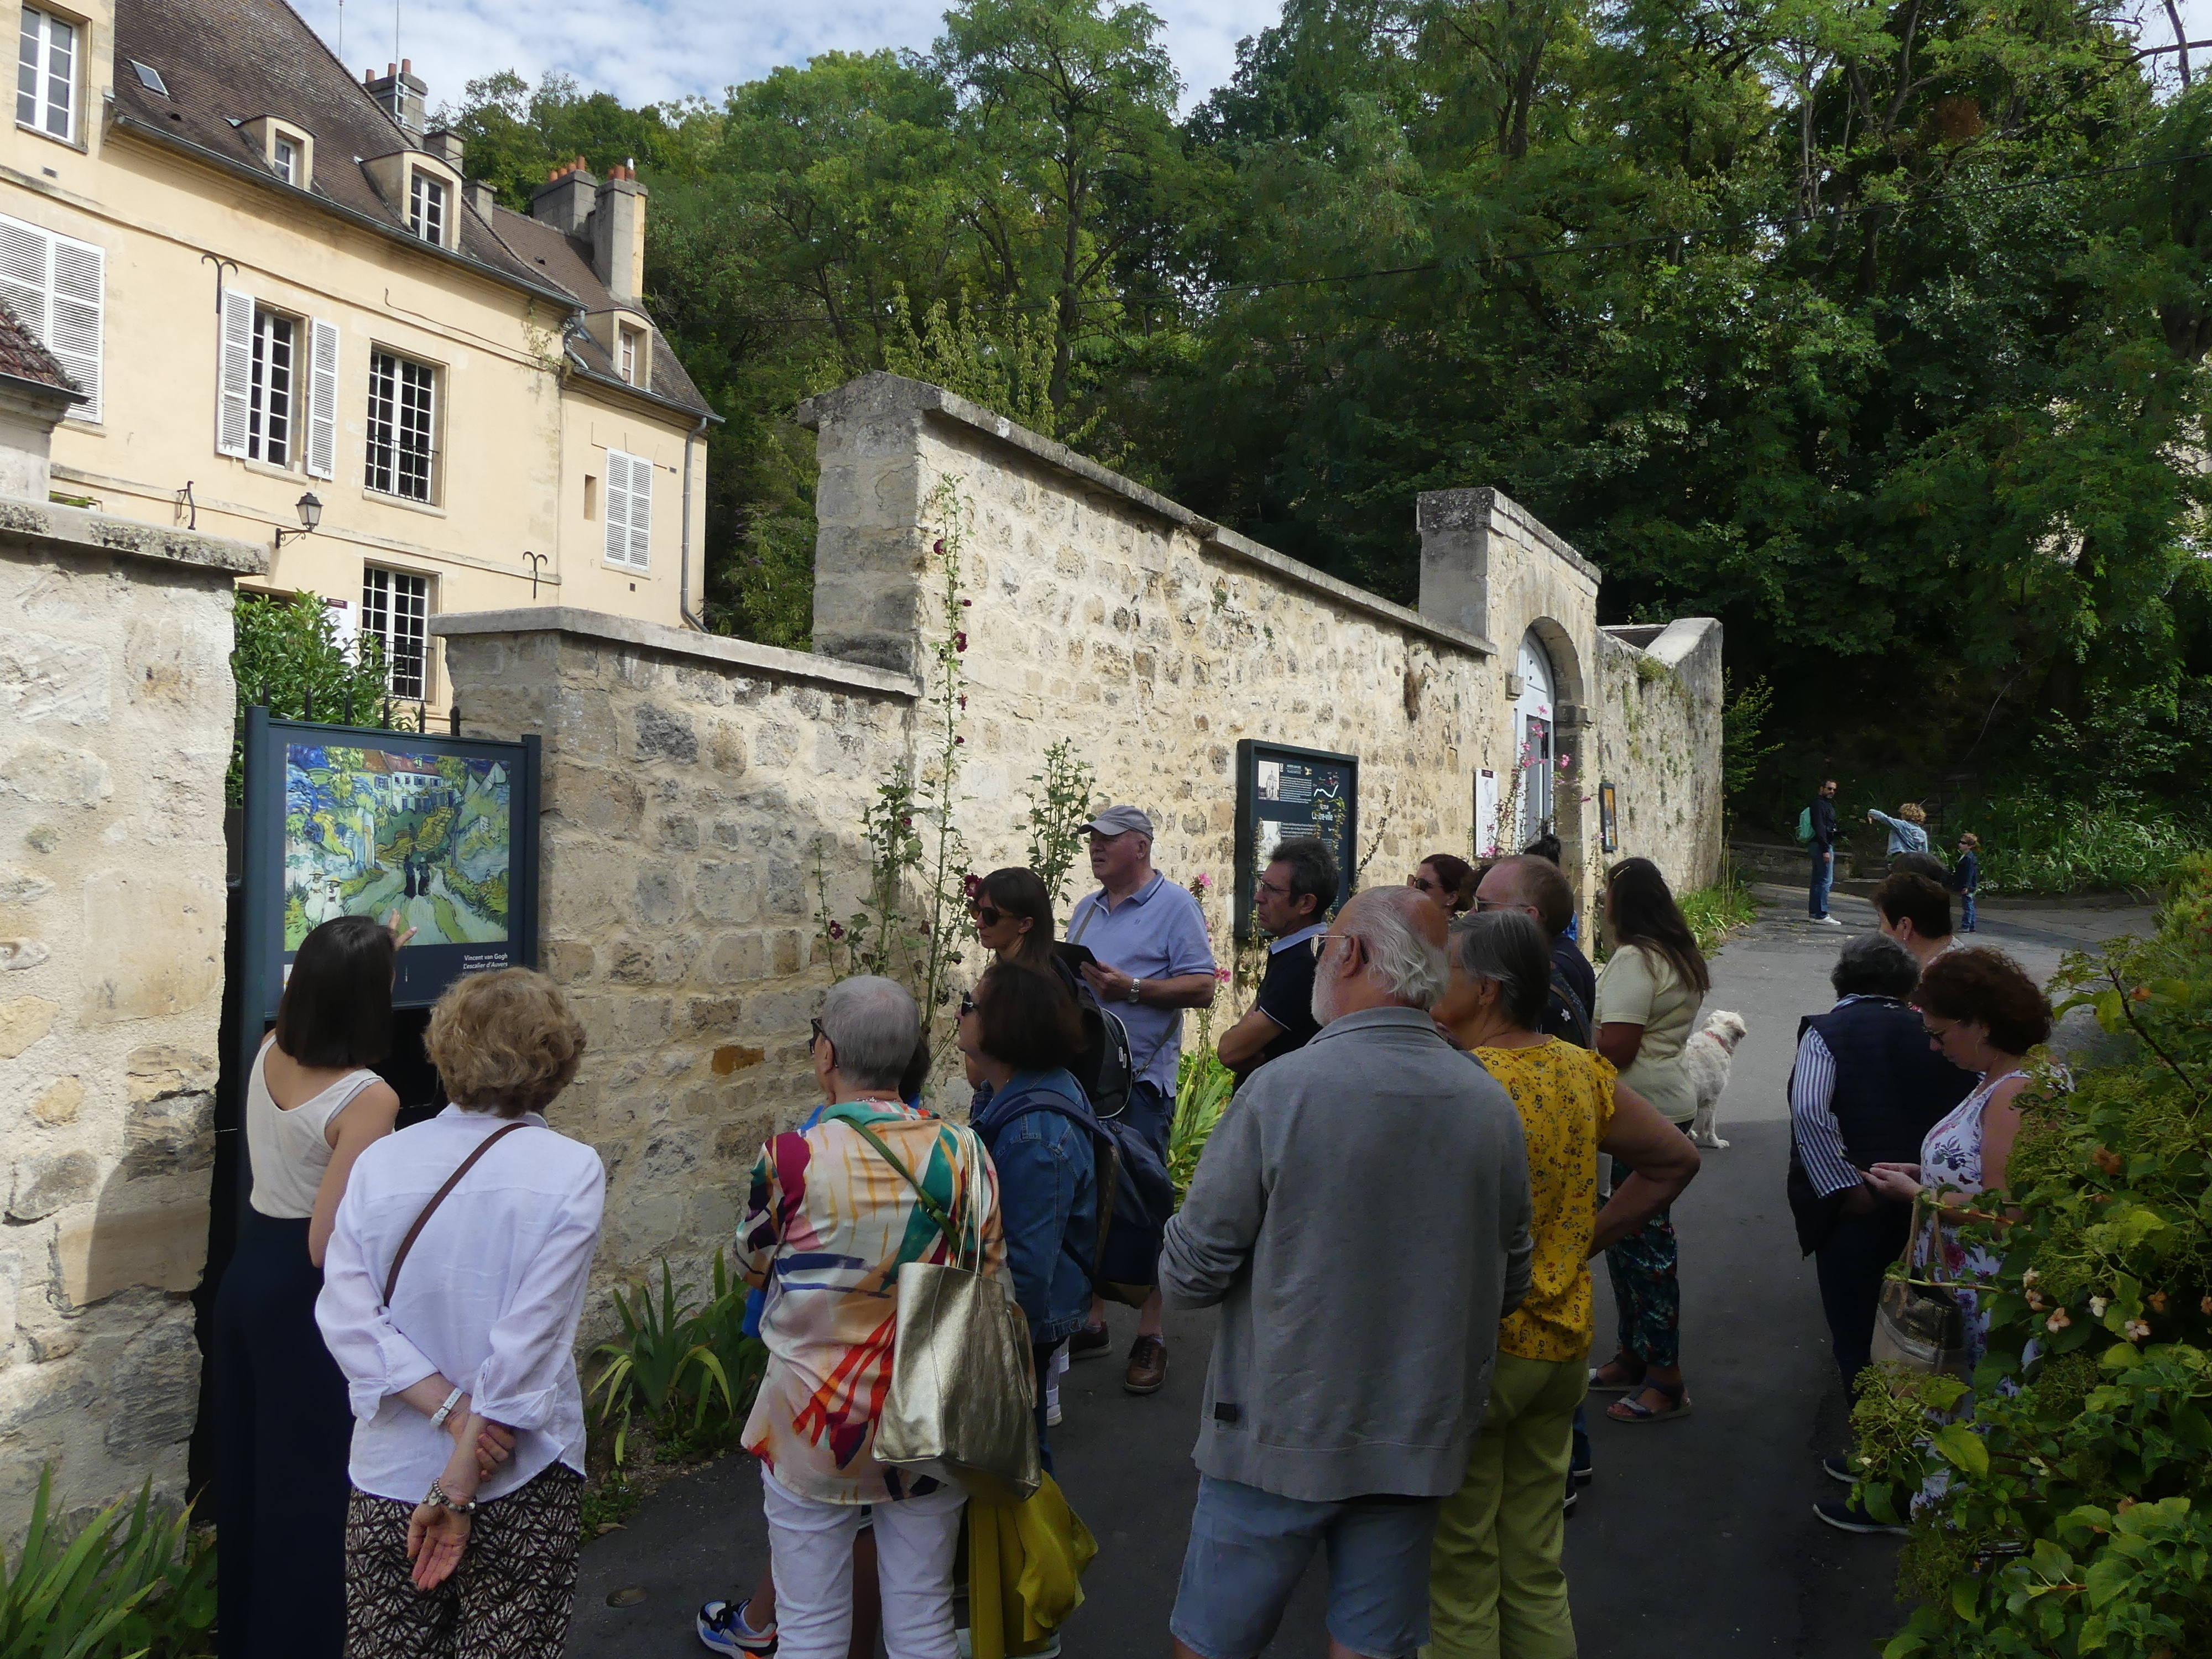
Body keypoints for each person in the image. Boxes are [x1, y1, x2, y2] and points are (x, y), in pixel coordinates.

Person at [1160, 888, 1533, 1659]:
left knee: (1212, 1644)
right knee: (1372, 1647)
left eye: (1329, 940)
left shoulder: (1282, 1090)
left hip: (1278, 1428)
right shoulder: (1488, 1104)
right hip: (1413, 1434)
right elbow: (1511, 1282)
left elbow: (1190, 1277)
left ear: (1350, 954)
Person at [1427, 911, 1701, 1659]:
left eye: (1444, 971)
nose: (1430, 985)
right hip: (1558, 1349)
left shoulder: (1460, 1083)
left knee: (1459, 1569)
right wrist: (1582, 1242)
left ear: (1485, 989)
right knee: (1536, 1565)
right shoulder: (1579, 1069)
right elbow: (1674, 1159)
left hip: (1476, 1350)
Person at [316, 967, 601, 1659]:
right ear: (558, 1062)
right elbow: (529, 1340)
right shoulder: (570, 1169)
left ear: (444, 1051)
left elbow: (346, 1315)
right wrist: (466, 1462)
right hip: (517, 1476)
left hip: (388, 1473)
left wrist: (445, 1409)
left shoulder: (382, 1163)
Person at [738, 975, 1004, 1659]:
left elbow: (751, 1266)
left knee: (808, 1628)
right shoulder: (966, 1152)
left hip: (814, 1420)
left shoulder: (790, 1158)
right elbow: (992, 1274)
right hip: (930, 1410)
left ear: (826, 1055)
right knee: (922, 1620)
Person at [213, 914, 404, 1659]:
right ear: (369, 1001)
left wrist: (375, 946)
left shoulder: (269, 1047)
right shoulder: (369, 1099)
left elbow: (328, 979)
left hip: (246, 1279)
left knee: (250, 1478)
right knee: (311, 1489)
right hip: (302, 1296)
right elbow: (331, 1243)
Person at [1833, 948, 2051, 1536]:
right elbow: (1985, 1175)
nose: (1934, 1046)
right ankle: (1947, 1534)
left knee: (1968, 1428)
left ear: (1981, 1023)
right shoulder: (2002, 1077)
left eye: (1939, 1033)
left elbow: (2010, 1212)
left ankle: (1957, 1546)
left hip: (1984, 1297)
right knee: (1957, 1424)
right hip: (1971, 1289)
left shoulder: (2014, 1092)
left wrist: (1917, 1195)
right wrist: (1927, 1174)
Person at [1786, 934, 1975, 1485]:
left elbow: (1810, 1114)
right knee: (1923, 1330)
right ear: (1907, 987)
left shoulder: (1826, 1032)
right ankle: (1929, 1450)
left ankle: (1882, 1461)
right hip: (1928, 1203)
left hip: (1857, 1208)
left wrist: (1845, 1188)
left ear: (1841, 982)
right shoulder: (1934, 1033)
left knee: (1856, 1336)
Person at [1063, 806, 1217, 1394]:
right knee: (1092, 1200)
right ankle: (1096, 1320)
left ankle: (1150, 1334)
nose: (1095, 849)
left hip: (1141, 1082)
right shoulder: (1087, 908)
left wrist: (1129, 987)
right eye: (1092, 840)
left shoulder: (1175, 905)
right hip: (1087, 1079)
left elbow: (1202, 987)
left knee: (1143, 1202)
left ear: (1140, 847)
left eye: (1106, 840)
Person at [962, 963, 1100, 1471]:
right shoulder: (1026, 1088)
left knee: (1023, 1456)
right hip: (1027, 1313)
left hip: (1026, 1324)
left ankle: (1035, 1547)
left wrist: (1008, 1363)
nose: (961, 1012)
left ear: (1005, 1027)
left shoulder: (1035, 1135)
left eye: (971, 1005)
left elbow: (1027, 1266)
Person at [1589, 858, 1708, 1425]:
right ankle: (1634, 1355)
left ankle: (1665, 1378)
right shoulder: (1675, 954)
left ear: (1623, 902)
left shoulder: (1636, 959)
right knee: (1627, 1238)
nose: (1600, 902)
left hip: (1641, 1109)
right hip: (1667, 1102)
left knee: (1644, 1247)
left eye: (1606, 893)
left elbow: (1619, 1046)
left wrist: (1570, 1066)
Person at [1216, 837, 1335, 1083]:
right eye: (1262, 885)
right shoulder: (1299, 951)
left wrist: (1261, 1055)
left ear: (1306, 903)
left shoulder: (1304, 963)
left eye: (1272, 890)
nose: (1259, 897)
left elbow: (1230, 1051)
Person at [1472, 854, 1594, 1047]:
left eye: (1483, 906)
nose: (1471, 914)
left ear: (1528, 918)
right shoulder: (1532, 980)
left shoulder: (1537, 996)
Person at [1872, 872, 1956, 972]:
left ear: (1905, 926)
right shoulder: (1960, 960)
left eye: (1882, 921)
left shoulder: (1936, 980)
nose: (1879, 931)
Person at [1808, 779, 1840, 926]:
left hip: (1820, 844)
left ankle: (1815, 913)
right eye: (1829, 789)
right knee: (1825, 881)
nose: (1831, 792)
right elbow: (1820, 826)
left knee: (1818, 880)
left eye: (1834, 790)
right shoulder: (1819, 804)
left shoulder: (1823, 804)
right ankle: (1821, 914)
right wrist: (1826, 849)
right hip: (1822, 845)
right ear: (1821, 788)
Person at [1411, 852, 1479, 918]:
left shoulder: (1451, 929)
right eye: (1413, 881)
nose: (1413, 888)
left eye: (1422, 884)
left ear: (1452, 898)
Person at [1866, 801, 1932, 862]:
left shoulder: (1901, 825)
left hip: (1899, 857)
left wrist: (1871, 812)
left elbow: (1885, 818)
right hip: (1914, 860)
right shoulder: (1922, 833)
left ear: (1905, 814)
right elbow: (1925, 853)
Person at [1949, 834, 1981, 933]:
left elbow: (1969, 873)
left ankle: (1966, 925)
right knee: (1969, 905)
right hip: (1968, 885)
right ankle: (1971, 925)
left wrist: (1966, 886)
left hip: (1969, 886)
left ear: (1970, 846)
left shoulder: (1969, 858)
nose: (1960, 844)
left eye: (1963, 843)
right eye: (1960, 842)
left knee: (1967, 906)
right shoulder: (1966, 856)